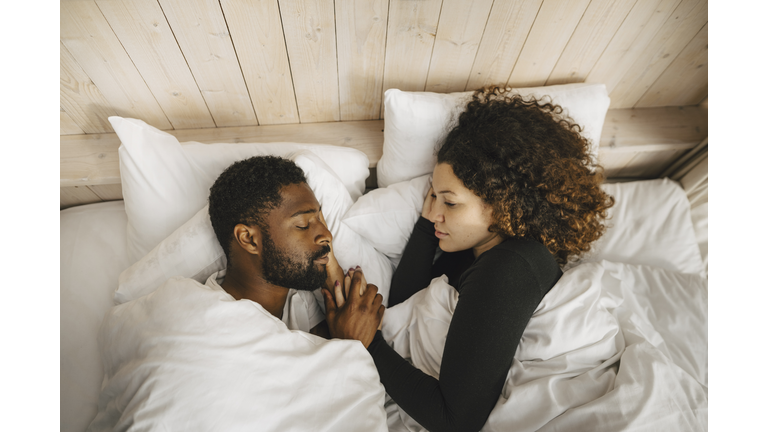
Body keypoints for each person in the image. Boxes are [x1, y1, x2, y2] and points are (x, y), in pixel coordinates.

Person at [321, 86, 615, 432]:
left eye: (450, 202)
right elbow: (406, 307)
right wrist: (431, 218)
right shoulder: (473, 252)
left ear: (503, 205)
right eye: (432, 195)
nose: (434, 212)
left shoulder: (511, 265)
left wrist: (367, 343)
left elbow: (457, 422)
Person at [207, 155, 384, 337]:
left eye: (319, 220)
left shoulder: (297, 301)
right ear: (249, 239)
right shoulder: (215, 329)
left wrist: (333, 278)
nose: (327, 235)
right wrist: (356, 343)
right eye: (302, 224)